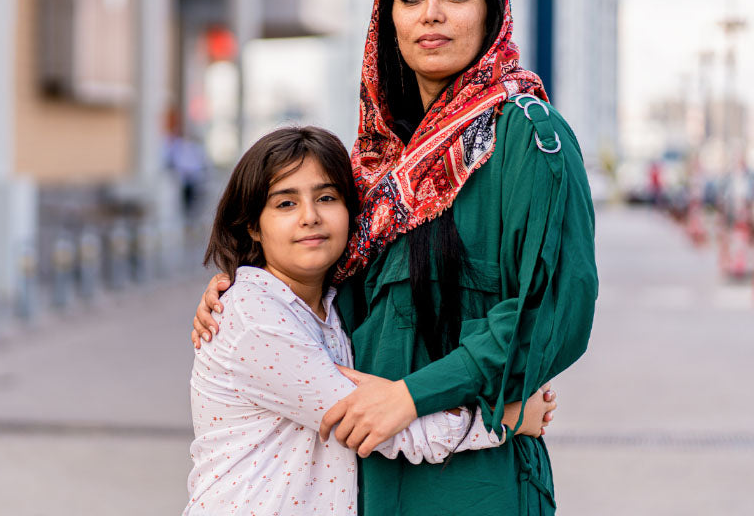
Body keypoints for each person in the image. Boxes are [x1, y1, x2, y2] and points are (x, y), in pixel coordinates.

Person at [193, 0, 597, 515]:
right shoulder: (377, 165)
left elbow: (553, 310)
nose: (431, 13)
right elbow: (317, 276)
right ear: (390, 23)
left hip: (471, 483)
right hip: (368, 480)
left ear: (491, 12)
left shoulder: (525, 138)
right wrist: (235, 288)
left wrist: (411, 396)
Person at [184, 126, 555, 516]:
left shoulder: (336, 303)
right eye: (286, 204)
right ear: (253, 226)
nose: (310, 217)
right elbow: (377, 424)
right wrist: (505, 419)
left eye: (327, 198)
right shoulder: (253, 316)